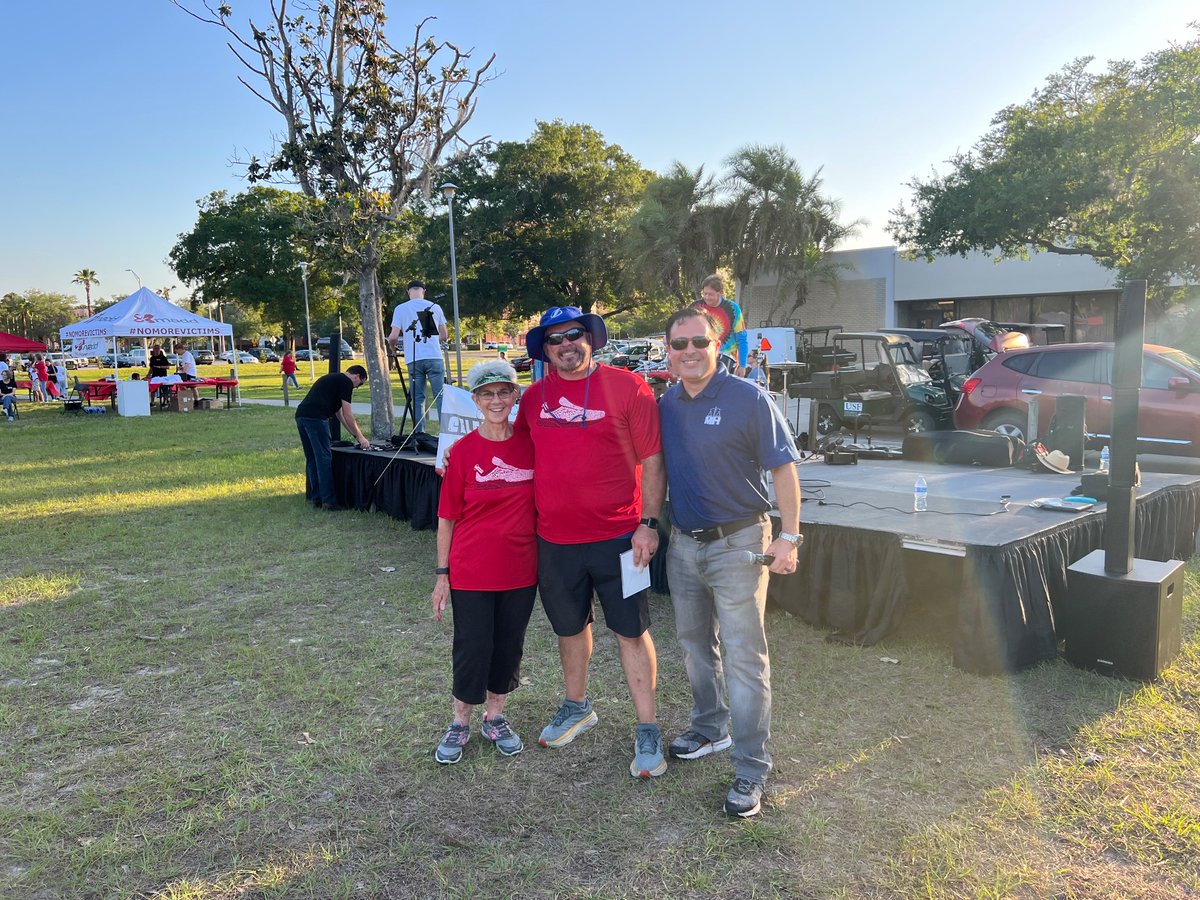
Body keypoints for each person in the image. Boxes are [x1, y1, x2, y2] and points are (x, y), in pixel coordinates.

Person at [658, 306, 802, 818]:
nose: (690, 352)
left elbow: (784, 470)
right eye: (679, 344)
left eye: (699, 341)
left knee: (744, 659)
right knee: (695, 646)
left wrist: (790, 537)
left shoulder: (749, 398)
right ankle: (709, 727)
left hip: (739, 543)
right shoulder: (666, 404)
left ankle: (750, 766)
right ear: (667, 350)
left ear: (717, 344)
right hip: (683, 545)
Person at [517, 305, 668, 779]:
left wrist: (649, 523)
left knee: (630, 629)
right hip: (555, 541)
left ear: (591, 338)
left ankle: (647, 729)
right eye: (556, 338)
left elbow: (655, 460)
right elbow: (515, 452)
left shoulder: (629, 387)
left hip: (620, 538)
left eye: (575, 334)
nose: (567, 344)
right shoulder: (532, 398)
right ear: (545, 349)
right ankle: (577, 706)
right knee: (568, 628)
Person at [431, 359, 537, 764]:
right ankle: (460, 722)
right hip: (471, 570)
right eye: (487, 394)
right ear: (476, 400)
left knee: (508, 647)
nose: (496, 400)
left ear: (515, 396)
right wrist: (443, 575)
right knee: (472, 647)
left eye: (504, 392)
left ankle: (495, 717)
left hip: (521, 570)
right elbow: (447, 517)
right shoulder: (462, 452)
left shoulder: (532, 445)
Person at [294, 364, 371, 510]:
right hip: (316, 418)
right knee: (323, 459)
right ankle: (328, 501)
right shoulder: (346, 382)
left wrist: (356, 435)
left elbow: (340, 415)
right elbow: (348, 414)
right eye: (359, 384)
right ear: (357, 377)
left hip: (301, 416)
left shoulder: (332, 379)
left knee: (312, 458)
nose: (356, 387)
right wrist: (362, 438)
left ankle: (315, 497)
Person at [387, 280, 448, 431]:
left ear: (408, 292)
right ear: (424, 291)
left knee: (418, 398)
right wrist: (434, 339)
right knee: (440, 396)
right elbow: (444, 335)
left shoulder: (400, 308)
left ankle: (420, 433)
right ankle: (445, 433)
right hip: (434, 356)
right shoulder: (435, 307)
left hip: (414, 358)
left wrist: (393, 349)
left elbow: (393, 336)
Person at [693, 274, 749, 377]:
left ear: (720, 293)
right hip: (702, 358)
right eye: (705, 294)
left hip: (727, 361)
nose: (706, 297)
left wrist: (742, 365)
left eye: (710, 294)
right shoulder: (696, 307)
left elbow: (742, 339)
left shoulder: (733, 309)